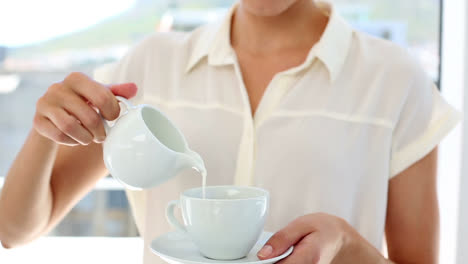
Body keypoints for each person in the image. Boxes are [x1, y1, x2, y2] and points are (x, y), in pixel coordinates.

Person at [0, 0, 460, 263]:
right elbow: (14, 229)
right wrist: (47, 132)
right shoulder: (153, 64)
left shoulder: (393, 78)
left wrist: (349, 247)